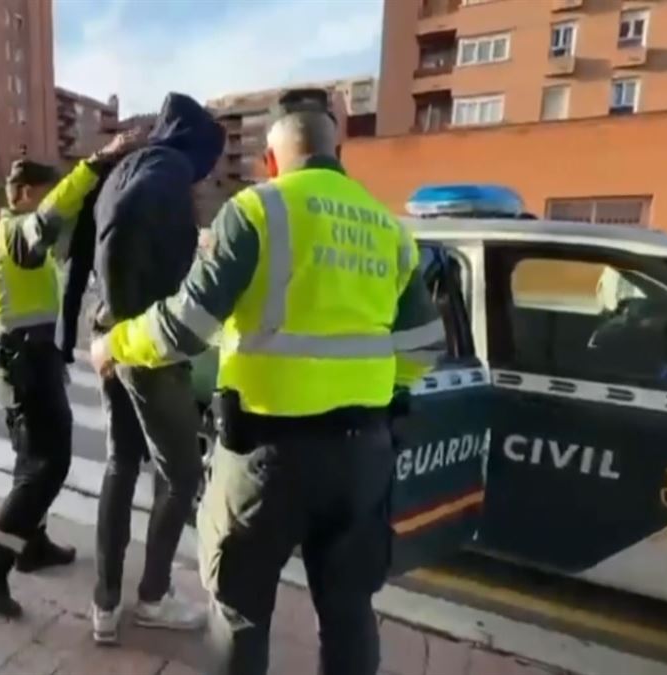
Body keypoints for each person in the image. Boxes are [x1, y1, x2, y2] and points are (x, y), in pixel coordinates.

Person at [89, 89, 446, 674]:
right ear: (339, 153)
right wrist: (373, 393)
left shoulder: (257, 211)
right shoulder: (388, 229)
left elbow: (185, 328)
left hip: (267, 461)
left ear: (272, 161)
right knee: (350, 611)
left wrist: (114, 344)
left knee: (240, 614)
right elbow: (423, 350)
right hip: (363, 458)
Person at [0, 132, 143, 619]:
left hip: (26, 360)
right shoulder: (18, 234)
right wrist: (95, 164)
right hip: (25, 363)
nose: (50, 206)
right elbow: (50, 219)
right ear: (22, 194)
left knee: (31, 463)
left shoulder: (15, 240)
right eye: (44, 193)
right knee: (47, 465)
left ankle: (31, 545)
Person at [88, 92, 225, 644]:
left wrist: (108, 324)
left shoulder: (129, 167)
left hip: (108, 335)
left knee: (122, 464)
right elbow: (174, 274)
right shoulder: (167, 176)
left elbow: (105, 239)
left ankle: (104, 603)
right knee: (182, 473)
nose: (204, 178)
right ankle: (151, 596)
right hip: (146, 346)